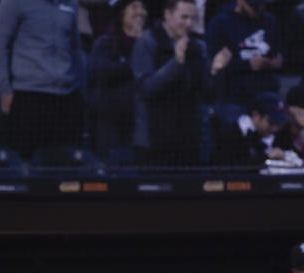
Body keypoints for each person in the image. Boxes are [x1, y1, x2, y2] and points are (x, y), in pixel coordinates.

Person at [131, 0, 227, 166]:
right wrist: (176, 62)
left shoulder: (198, 46)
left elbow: (207, 94)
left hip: (188, 139)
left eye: (192, 18)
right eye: (183, 17)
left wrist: (215, 71)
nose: (188, 24)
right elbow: (146, 88)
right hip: (154, 141)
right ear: (167, 14)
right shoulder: (147, 42)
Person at [0, 0, 86, 160]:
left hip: (67, 96)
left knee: (67, 166)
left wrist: (82, 88)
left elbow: (76, 48)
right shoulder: (14, 3)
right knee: (27, 166)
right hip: (29, 96)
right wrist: (4, 90)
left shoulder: (71, 4)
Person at [205, 0, 284, 125]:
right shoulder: (221, 23)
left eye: (261, 5)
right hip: (235, 100)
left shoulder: (269, 21)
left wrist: (276, 61)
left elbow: (279, 53)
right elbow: (213, 66)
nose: (258, 9)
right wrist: (247, 65)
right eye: (253, 5)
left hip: (266, 97)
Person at [88, 0, 149, 160]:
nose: (140, 12)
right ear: (122, 13)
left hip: (141, 125)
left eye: (143, 8)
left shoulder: (150, 42)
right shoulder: (105, 42)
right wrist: (136, 49)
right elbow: (102, 72)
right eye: (134, 7)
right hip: (111, 121)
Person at [213, 90, 289, 166]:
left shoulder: (272, 136)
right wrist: (266, 157)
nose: (275, 129)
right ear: (256, 115)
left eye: (278, 124)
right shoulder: (229, 135)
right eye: (271, 122)